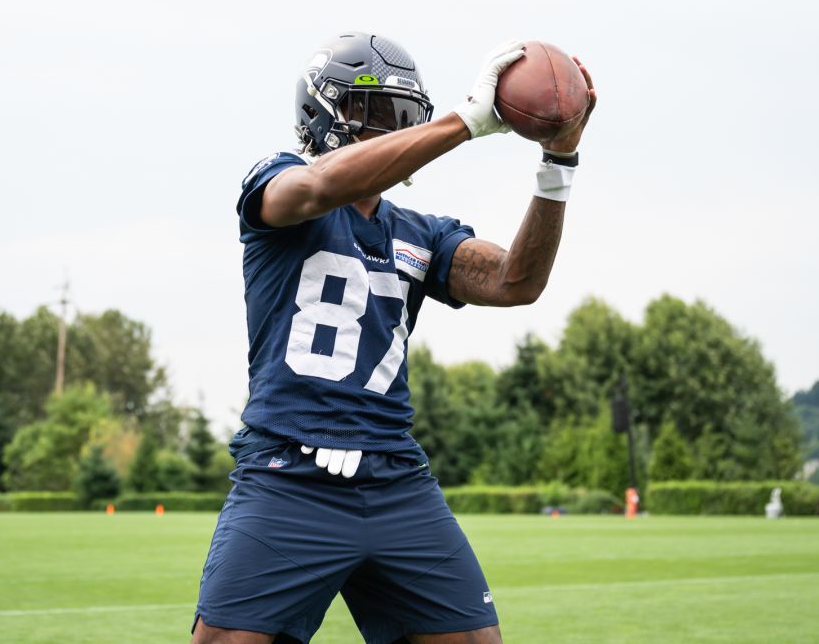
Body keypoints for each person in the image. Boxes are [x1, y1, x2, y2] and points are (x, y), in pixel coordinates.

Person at [191, 32, 596, 644]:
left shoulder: (420, 234)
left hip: (395, 478)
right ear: (319, 112)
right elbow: (317, 188)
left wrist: (558, 162)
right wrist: (466, 122)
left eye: (401, 117)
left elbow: (517, 281)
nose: (387, 131)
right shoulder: (279, 181)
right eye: (369, 113)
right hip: (288, 473)